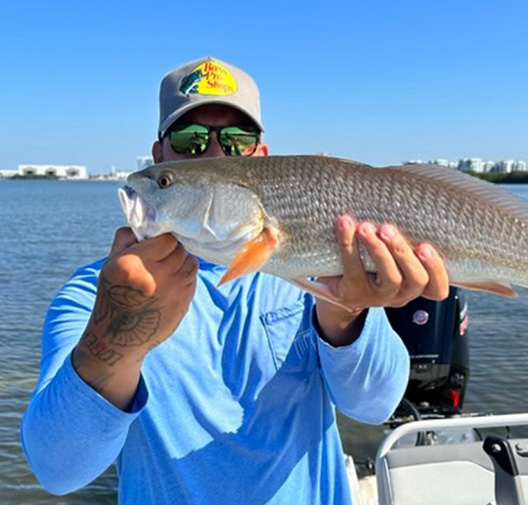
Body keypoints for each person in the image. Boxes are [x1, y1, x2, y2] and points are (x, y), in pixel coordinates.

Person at [21, 56, 449, 504]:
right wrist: (117, 336)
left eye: (236, 139)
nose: (213, 153)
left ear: (262, 158)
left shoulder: (315, 260)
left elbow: (374, 405)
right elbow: (58, 469)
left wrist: (347, 308)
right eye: (188, 140)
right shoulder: (96, 292)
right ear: (158, 155)